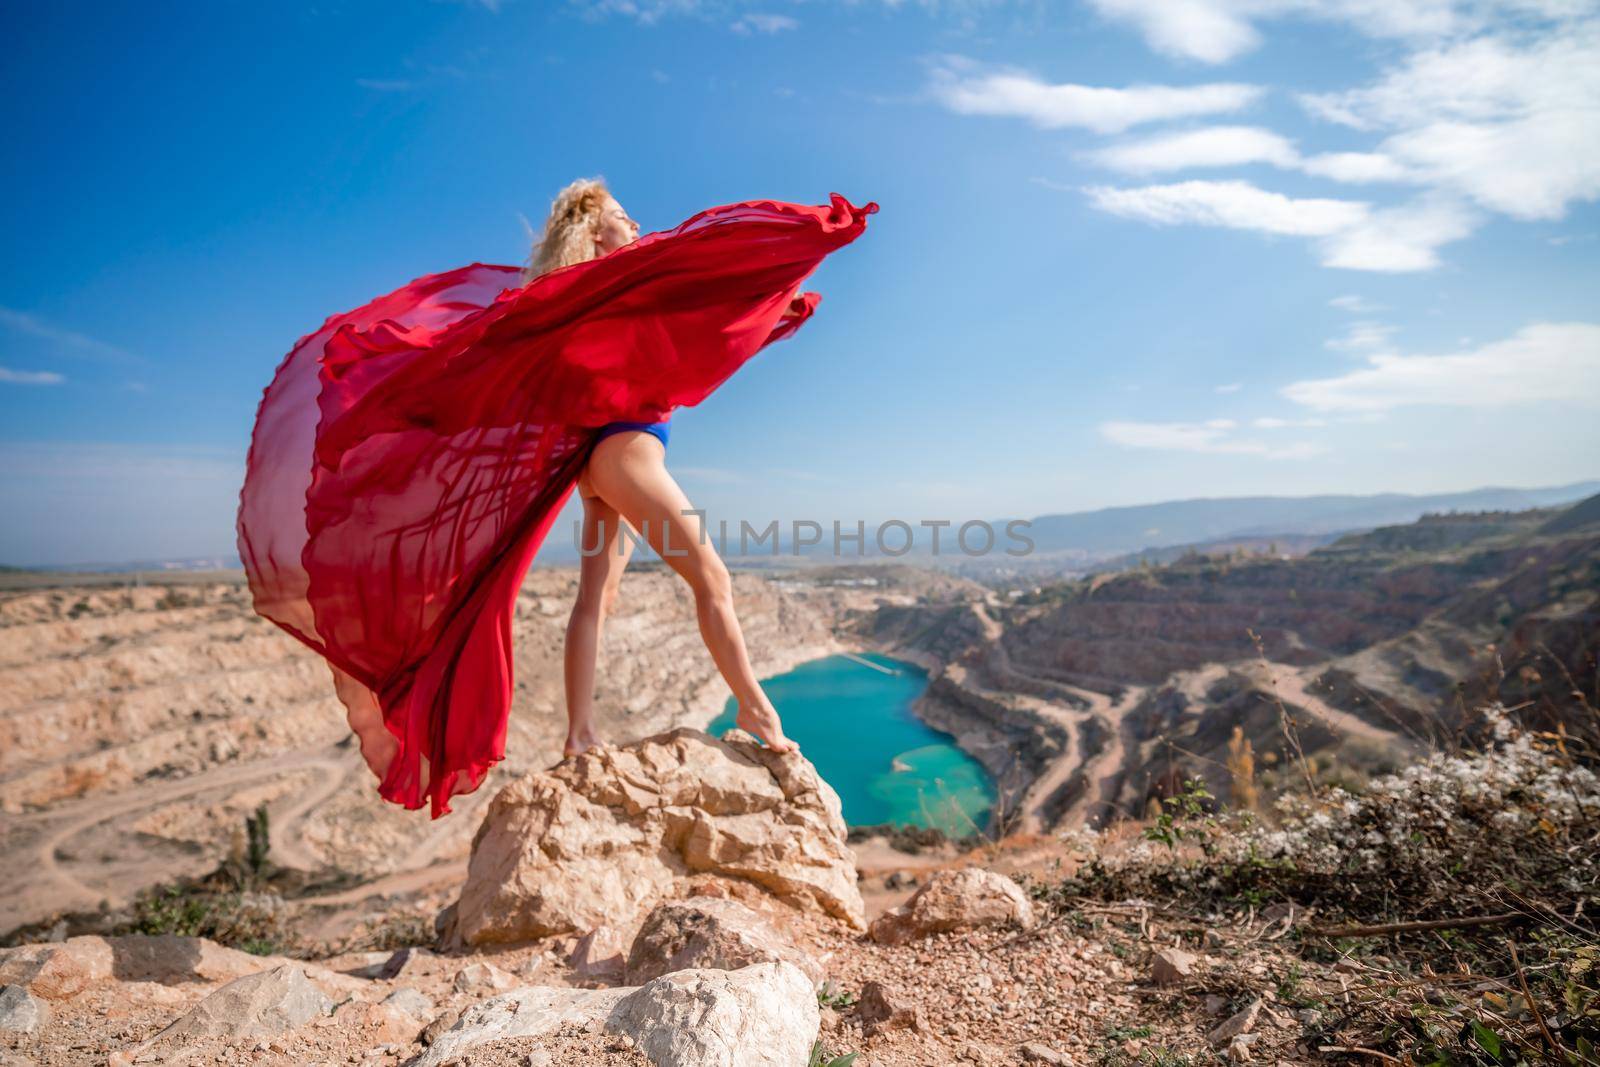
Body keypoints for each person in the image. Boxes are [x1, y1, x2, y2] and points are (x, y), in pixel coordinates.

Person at [522, 178, 797, 759]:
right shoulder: (621, 284)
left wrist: (767, 322)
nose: (638, 225)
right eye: (625, 216)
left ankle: (578, 734)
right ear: (596, 235)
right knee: (712, 578)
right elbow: (699, 329)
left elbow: (681, 350)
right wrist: (770, 295)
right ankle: (754, 707)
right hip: (625, 453)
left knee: (596, 599)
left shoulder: (581, 299)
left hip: (597, 469)